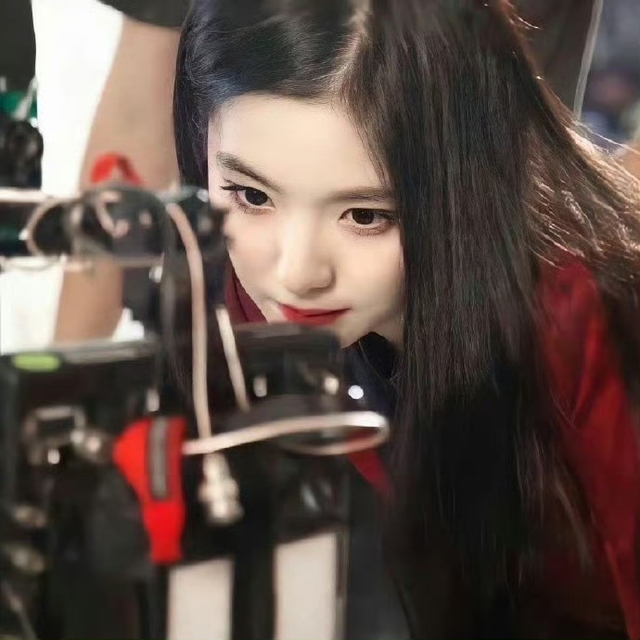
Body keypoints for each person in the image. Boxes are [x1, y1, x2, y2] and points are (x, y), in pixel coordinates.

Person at [174, 0, 640, 638]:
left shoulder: (570, 319)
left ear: (465, 185)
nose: (297, 273)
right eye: (253, 196)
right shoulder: (220, 283)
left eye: (366, 216)